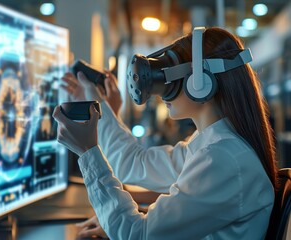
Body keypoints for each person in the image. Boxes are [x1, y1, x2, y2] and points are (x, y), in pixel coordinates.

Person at [53, 27, 278, 239]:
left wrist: (88, 152)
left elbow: (138, 235)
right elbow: (133, 164)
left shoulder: (222, 158)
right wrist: (102, 107)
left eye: (171, 81)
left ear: (200, 82)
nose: (161, 94)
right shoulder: (212, 144)